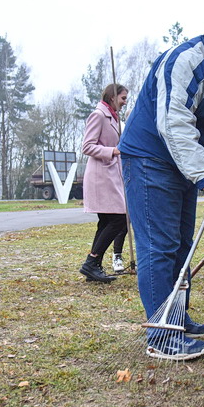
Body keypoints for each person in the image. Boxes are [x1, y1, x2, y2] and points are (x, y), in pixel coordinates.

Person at [119, 11, 204, 360]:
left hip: (179, 167)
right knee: (160, 247)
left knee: (181, 247)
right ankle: (161, 335)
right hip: (150, 160)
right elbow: (174, 121)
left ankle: (178, 318)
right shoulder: (183, 62)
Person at [79, 83, 129, 283]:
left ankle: (94, 264)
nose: (125, 102)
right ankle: (91, 262)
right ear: (112, 97)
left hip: (111, 175)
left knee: (107, 221)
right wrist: (112, 151)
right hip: (101, 176)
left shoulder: (114, 118)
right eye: (123, 98)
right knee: (118, 219)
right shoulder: (98, 115)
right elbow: (87, 146)